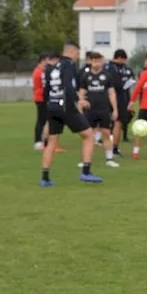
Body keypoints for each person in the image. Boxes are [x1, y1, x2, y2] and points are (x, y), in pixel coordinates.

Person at [40, 41, 103, 186]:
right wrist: (78, 100)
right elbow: (68, 85)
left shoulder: (53, 66)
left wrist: (49, 105)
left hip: (53, 106)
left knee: (52, 142)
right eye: (77, 53)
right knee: (89, 136)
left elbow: (46, 89)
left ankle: (45, 178)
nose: (77, 56)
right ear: (72, 51)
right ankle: (86, 173)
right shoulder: (68, 65)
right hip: (65, 107)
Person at [79, 52, 120, 168]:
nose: (97, 63)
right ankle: (85, 161)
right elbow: (81, 93)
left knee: (106, 134)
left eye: (99, 61)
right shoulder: (85, 76)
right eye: (95, 61)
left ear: (102, 62)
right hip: (90, 111)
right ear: (90, 62)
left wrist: (115, 109)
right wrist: (81, 107)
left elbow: (112, 93)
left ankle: (109, 159)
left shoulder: (107, 76)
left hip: (104, 109)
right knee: (88, 135)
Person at [105, 49, 135, 154]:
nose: (125, 62)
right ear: (119, 58)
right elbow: (114, 84)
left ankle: (114, 147)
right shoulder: (109, 68)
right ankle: (112, 148)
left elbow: (131, 80)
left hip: (124, 98)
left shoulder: (126, 69)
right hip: (112, 98)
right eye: (124, 59)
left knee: (119, 123)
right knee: (114, 123)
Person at [33, 52, 58, 150]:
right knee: (41, 120)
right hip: (41, 98)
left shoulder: (40, 71)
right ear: (43, 60)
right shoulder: (39, 72)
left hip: (42, 97)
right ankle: (38, 141)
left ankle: (45, 140)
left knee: (45, 120)